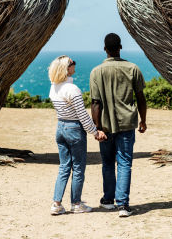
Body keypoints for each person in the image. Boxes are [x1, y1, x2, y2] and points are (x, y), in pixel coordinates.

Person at [90, 33, 147, 217]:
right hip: (127, 123)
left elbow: (95, 103)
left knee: (107, 163)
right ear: (120, 47)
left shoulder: (96, 72)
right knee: (124, 163)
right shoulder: (133, 68)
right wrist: (143, 120)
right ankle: (123, 205)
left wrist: (96, 128)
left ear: (105, 49)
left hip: (105, 126)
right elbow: (141, 98)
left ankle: (108, 200)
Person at [48, 55, 107, 215]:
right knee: (79, 167)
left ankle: (56, 203)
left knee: (64, 166)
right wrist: (96, 132)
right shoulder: (73, 90)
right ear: (67, 69)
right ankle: (76, 203)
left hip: (60, 127)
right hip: (74, 129)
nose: (75, 65)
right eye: (72, 63)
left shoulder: (54, 87)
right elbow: (82, 116)